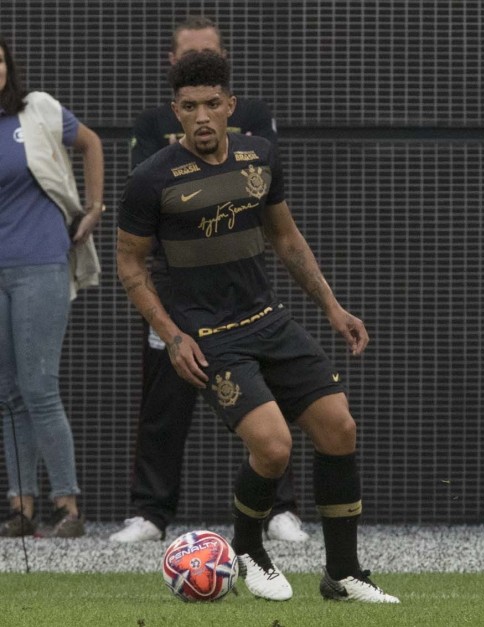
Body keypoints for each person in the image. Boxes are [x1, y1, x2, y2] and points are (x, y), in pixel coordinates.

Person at [117, 51, 398, 603]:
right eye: (190, 106)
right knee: (272, 449)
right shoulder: (150, 181)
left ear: (230, 107)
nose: (202, 116)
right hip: (210, 338)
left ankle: (343, 574)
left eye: (212, 105)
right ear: (176, 111)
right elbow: (130, 266)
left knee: (340, 428)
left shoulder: (259, 158)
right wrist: (173, 335)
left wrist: (334, 309)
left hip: (269, 321)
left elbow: (287, 240)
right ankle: (250, 551)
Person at [110, 16, 307, 544]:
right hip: (176, 298)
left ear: (229, 98)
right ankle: (150, 513)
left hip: (242, 296)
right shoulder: (151, 125)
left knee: (269, 407)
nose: (202, 116)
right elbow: (141, 218)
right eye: (188, 53)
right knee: (163, 406)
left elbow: (266, 205)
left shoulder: (257, 122)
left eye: (208, 52)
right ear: (171, 66)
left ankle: (281, 509)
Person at [0, 36, 104, 538]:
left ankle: (68, 506)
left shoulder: (36, 110)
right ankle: (21, 506)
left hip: (40, 262)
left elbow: (91, 143)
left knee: (39, 387)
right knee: (8, 393)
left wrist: (95, 207)